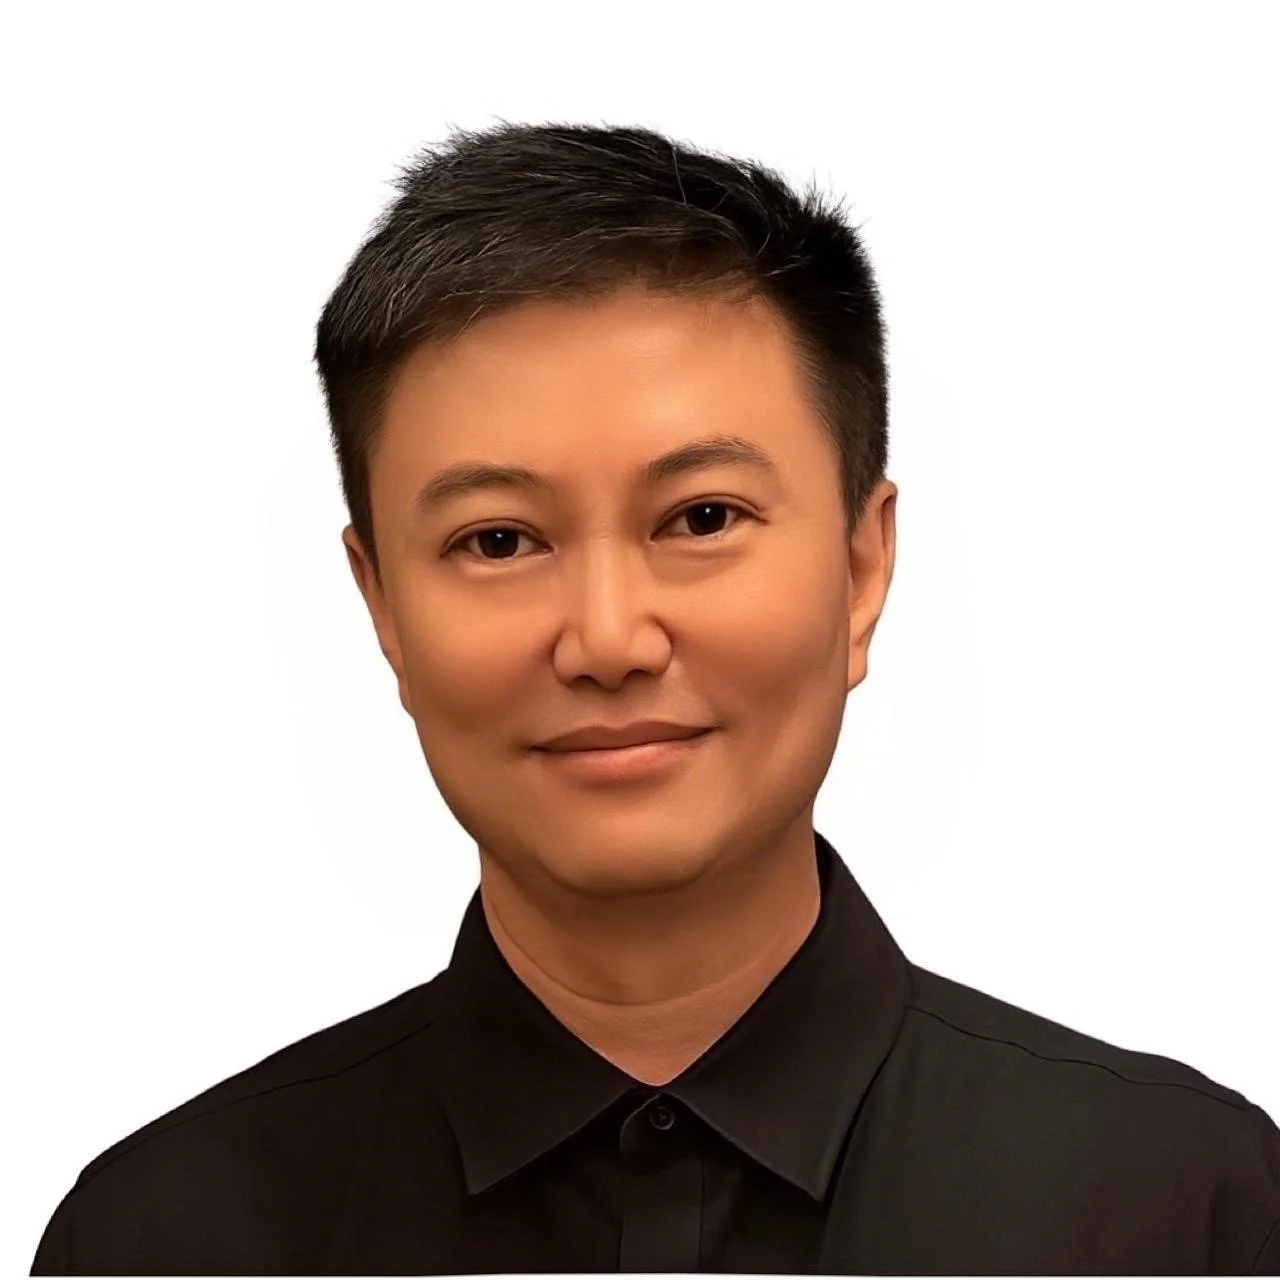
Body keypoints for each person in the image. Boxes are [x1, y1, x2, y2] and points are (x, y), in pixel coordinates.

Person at [31, 120, 1279, 1276]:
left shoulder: (1186, 1206)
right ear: (381, 607)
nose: (609, 638)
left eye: (700, 518)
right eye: (499, 540)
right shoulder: (166, 1234)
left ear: (859, 565)